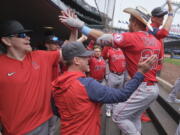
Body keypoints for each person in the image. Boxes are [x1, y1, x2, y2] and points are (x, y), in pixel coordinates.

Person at [59, 6, 161, 135]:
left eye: (130, 20)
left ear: (134, 22)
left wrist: (81, 26)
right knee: (133, 118)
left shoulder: (133, 37)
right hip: (152, 87)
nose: (129, 23)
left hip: (142, 86)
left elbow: (102, 38)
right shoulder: (155, 41)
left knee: (117, 115)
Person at [52, 41, 156, 135]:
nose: (89, 59)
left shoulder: (56, 83)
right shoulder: (87, 85)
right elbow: (122, 95)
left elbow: (57, 111)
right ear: (76, 60)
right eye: (85, 57)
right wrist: (140, 72)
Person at [0, 20, 61, 135]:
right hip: (16, 131)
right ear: (7, 41)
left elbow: (69, 52)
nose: (27, 38)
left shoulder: (40, 56)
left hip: (44, 124)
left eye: (27, 35)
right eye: (22, 35)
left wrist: (75, 30)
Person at [150, 0, 175, 76]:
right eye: (160, 16)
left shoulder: (156, 30)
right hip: (150, 69)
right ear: (153, 18)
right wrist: (171, 12)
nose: (162, 18)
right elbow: (164, 32)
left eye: (163, 16)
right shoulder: (150, 28)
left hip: (155, 67)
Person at [102, 46, 127, 117]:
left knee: (118, 93)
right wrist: (107, 45)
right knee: (110, 93)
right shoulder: (109, 50)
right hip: (113, 74)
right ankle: (108, 109)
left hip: (122, 74)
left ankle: (115, 108)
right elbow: (104, 56)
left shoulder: (122, 50)